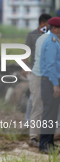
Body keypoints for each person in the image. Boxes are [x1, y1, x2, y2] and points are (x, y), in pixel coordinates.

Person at [22, 13, 51, 148]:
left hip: (48, 74)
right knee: (35, 101)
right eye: (48, 25)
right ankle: (32, 134)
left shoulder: (51, 36)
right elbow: (26, 51)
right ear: (42, 24)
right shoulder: (32, 35)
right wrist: (24, 67)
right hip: (35, 72)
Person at [39, 17, 60, 154]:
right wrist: (56, 84)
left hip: (52, 81)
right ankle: (44, 144)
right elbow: (51, 65)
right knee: (48, 114)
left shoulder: (55, 40)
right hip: (50, 82)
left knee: (53, 114)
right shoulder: (52, 42)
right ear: (55, 28)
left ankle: (50, 141)